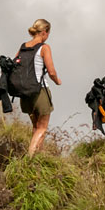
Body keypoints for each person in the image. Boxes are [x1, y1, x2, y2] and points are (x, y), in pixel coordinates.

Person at [19, 18, 61, 156]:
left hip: (25, 92)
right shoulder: (44, 47)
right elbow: (51, 71)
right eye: (48, 33)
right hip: (39, 91)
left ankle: (39, 156)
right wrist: (57, 81)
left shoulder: (23, 46)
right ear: (44, 32)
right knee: (42, 128)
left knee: (36, 127)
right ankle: (30, 159)